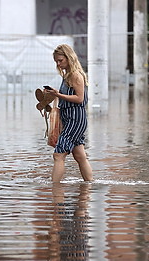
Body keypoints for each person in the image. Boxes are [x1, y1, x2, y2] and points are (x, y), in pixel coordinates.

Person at [44, 44, 93, 182]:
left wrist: (58, 95)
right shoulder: (67, 76)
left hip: (75, 118)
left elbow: (79, 98)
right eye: (56, 62)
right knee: (80, 156)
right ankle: (89, 186)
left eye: (61, 60)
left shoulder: (76, 75)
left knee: (58, 155)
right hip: (71, 118)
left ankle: (55, 189)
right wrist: (53, 95)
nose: (59, 64)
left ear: (69, 57)